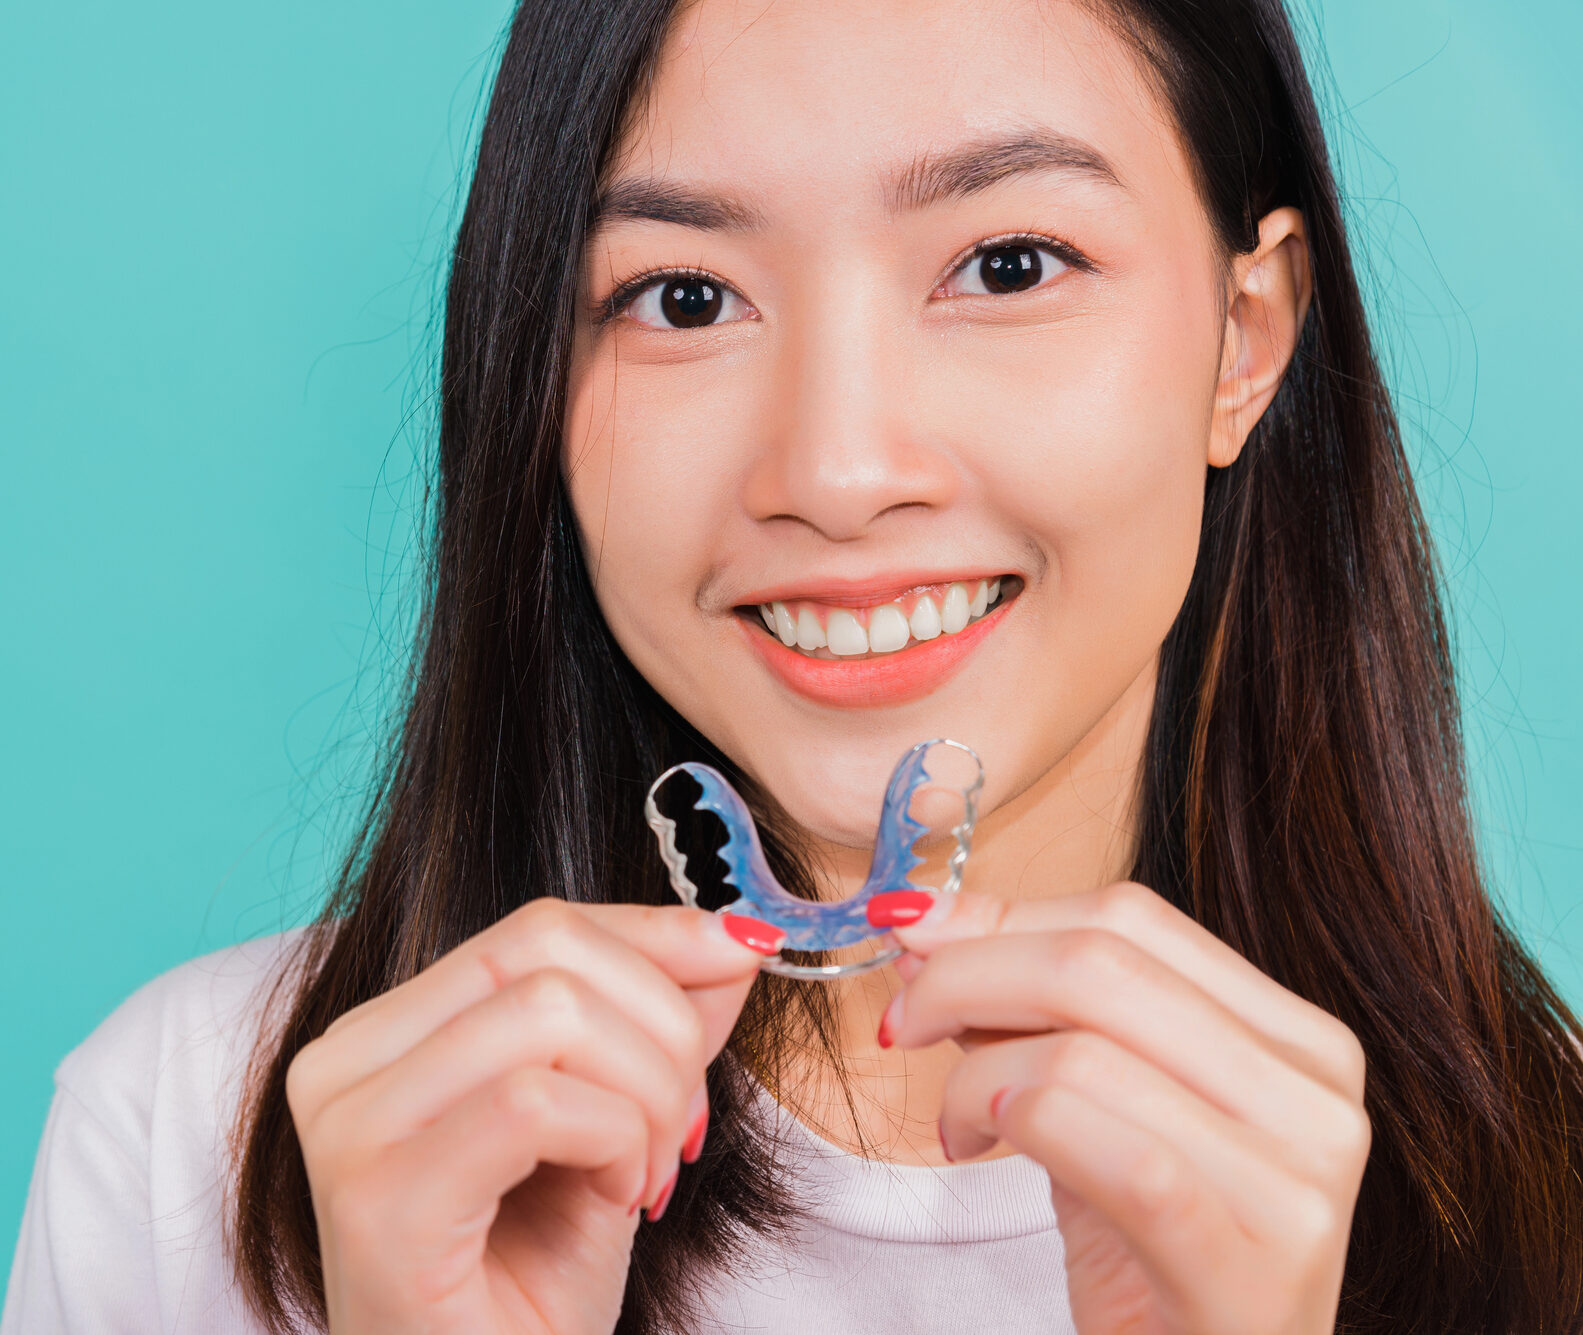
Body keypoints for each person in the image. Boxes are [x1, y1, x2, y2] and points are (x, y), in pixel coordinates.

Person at [6, 0, 1583, 1331]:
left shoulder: (1553, 1182)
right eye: (683, 299)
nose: (833, 469)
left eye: (1011, 264)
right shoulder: (190, 1145)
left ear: (1245, 338)